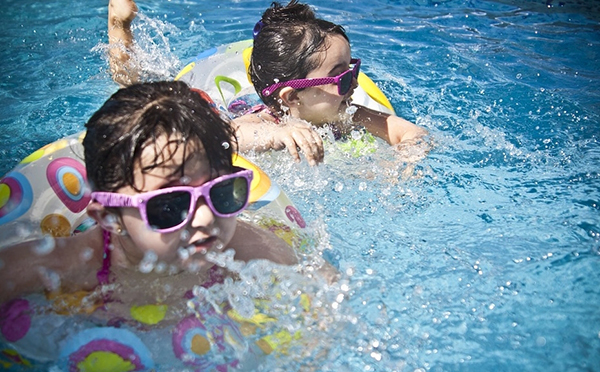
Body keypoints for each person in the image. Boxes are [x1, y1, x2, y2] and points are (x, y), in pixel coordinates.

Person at [0, 80, 297, 306]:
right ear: (108, 216)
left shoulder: (246, 249)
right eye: (170, 205)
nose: (206, 217)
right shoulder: (64, 267)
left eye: (221, 192)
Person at [107, 0, 427, 166]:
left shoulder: (350, 115)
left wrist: (406, 159)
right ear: (291, 97)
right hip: (228, 108)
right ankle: (119, 27)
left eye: (353, 71)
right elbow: (226, 138)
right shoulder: (265, 119)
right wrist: (277, 133)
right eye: (342, 78)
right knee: (137, 94)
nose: (354, 85)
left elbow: (407, 132)